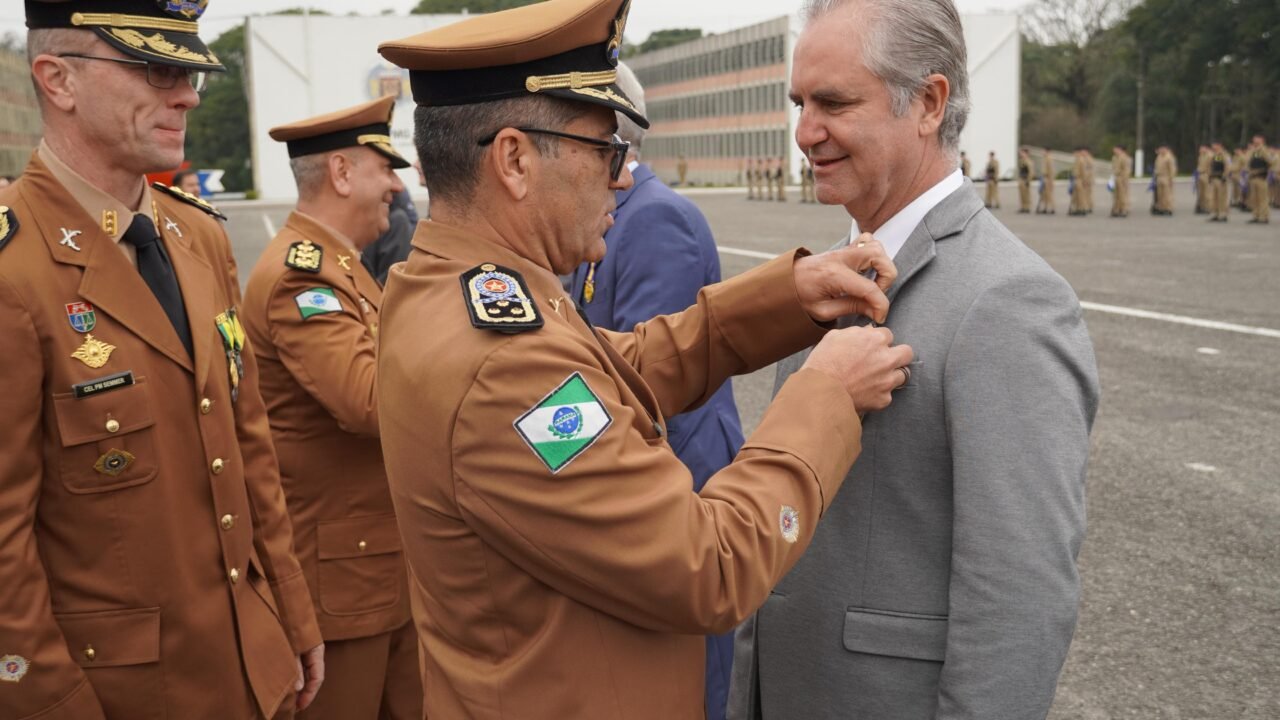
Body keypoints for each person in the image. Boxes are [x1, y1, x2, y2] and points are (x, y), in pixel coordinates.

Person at [374, 0, 915, 716]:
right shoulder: (500, 363)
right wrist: (824, 398)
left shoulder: (453, 291)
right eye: (606, 151)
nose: (623, 178)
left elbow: (618, 366)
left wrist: (785, 297)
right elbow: (708, 566)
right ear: (513, 159)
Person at [728, 1, 1100, 718]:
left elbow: (1019, 597)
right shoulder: (834, 273)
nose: (806, 132)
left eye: (833, 102)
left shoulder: (1006, 300)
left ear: (928, 103)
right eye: (800, 103)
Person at [1, 2, 325, 718]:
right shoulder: (13, 271)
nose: (186, 94)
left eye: (190, 73)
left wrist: (293, 614)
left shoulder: (196, 236)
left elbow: (248, 443)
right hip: (121, 694)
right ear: (58, 79)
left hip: (252, 665)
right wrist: (49, 701)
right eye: (157, 70)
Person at [565, 61, 745, 720]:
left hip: (684, 483)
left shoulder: (655, 219)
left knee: (697, 681)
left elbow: (654, 383)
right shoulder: (613, 212)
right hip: (639, 486)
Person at [241, 96, 421, 720]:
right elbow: (368, 399)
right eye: (385, 169)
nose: (396, 186)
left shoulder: (338, 265)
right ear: (342, 174)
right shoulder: (304, 276)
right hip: (345, 581)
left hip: (377, 567)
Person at [1246, 134, 1272, 224]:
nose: (1254, 141)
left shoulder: (1264, 150)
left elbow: (1270, 161)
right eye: (1254, 139)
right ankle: (1256, 215)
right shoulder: (1254, 151)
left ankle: (1264, 217)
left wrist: (1267, 171)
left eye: (1257, 139)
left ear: (1262, 140)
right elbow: (1249, 162)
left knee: (1262, 199)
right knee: (1254, 198)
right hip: (1253, 177)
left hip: (1261, 177)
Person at [1206, 141, 1229, 222]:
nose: (1213, 146)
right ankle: (1216, 214)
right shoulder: (1214, 155)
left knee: (1222, 198)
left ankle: (1223, 214)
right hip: (1214, 178)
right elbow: (1211, 166)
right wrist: (1209, 176)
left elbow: (1227, 166)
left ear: (1219, 145)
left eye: (1214, 145)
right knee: (1214, 198)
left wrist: (1224, 177)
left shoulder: (1224, 155)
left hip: (1220, 179)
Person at [1154, 145, 1176, 215]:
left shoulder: (1169, 157)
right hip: (1159, 177)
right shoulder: (1159, 157)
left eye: (1162, 149)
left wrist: (1171, 179)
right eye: (1160, 149)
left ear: (1166, 149)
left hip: (1166, 177)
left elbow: (1172, 169)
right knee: (1160, 194)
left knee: (1167, 194)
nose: (1160, 150)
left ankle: (1168, 208)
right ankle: (1161, 208)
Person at [1110, 145, 1131, 218]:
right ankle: (1117, 209)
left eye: (1116, 149)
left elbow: (1126, 170)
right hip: (1116, 177)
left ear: (1120, 149)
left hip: (1122, 178)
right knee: (1116, 195)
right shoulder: (1115, 157)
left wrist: (1124, 180)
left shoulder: (1124, 157)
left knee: (1122, 195)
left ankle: (1124, 210)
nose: (1114, 150)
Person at [1037, 147, 1056, 214]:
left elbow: (1051, 171)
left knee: (1049, 195)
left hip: (1048, 178)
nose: (1042, 152)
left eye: (1043, 151)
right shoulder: (1045, 159)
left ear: (1047, 151)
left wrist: (1051, 181)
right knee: (1044, 194)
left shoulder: (1049, 159)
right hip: (1044, 178)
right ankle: (1045, 208)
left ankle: (1052, 208)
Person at [1194, 144, 1210, 214]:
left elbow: (1213, 165)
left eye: (1202, 148)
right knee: (1200, 193)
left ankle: (1207, 207)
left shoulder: (1210, 155)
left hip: (1206, 174)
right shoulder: (1201, 156)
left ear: (1206, 148)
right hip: (1200, 175)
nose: (1200, 149)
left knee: (1206, 193)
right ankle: (1201, 206)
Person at [1016, 146, 1032, 213]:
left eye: (1022, 153)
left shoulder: (1029, 161)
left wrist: (1028, 181)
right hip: (1021, 180)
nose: (1021, 154)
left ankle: (1027, 207)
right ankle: (1023, 207)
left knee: (1026, 195)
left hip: (1025, 180)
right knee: (1022, 195)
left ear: (1026, 153)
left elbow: (1031, 172)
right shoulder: (1021, 161)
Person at [1080, 147, 1095, 214]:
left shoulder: (1089, 159)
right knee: (1085, 194)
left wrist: (1086, 180)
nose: (1082, 153)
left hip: (1088, 179)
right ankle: (1086, 206)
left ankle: (1088, 207)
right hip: (1084, 178)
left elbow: (1090, 171)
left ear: (1087, 152)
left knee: (1087, 194)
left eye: (1083, 151)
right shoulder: (1083, 158)